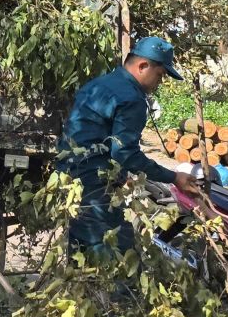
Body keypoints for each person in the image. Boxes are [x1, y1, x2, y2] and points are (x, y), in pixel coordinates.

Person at [60, 36, 202, 256]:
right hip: (95, 187)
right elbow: (125, 153)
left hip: (70, 180)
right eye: (160, 75)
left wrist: (121, 175)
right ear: (143, 66)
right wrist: (174, 177)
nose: (159, 83)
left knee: (81, 254)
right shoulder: (131, 98)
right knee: (120, 256)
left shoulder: (99, 84)